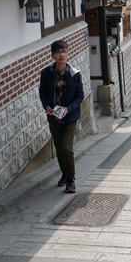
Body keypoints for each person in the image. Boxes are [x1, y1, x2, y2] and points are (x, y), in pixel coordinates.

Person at [39, 40, 85, 194]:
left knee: (67, 147)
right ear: (52, 55)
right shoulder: (46, 73)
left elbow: (80, 97)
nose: (61, 54)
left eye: (64, 51)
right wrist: (47, 106)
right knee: (59, 149)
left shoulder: (75, 74)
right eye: (58, 52)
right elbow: (43, 93)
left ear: (68, 53)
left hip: (70, 116)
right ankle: (64, 173)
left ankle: (71, 179)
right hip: (54, 117)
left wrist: (68, 109)